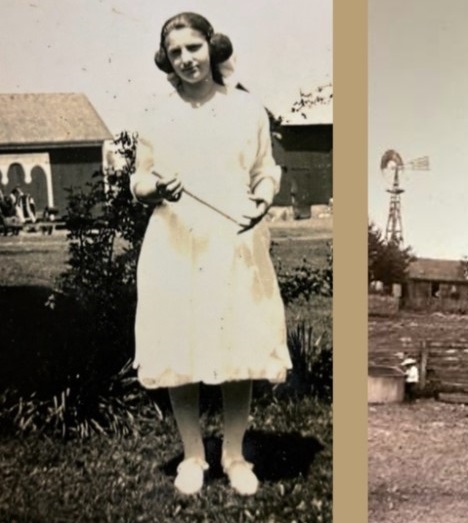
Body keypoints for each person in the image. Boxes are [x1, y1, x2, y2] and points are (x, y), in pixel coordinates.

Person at [130, 12, 291, 497]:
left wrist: (262, 200)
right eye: (175, 53)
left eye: (193, 48)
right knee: (182, 346)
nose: (186, 60)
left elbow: (265, 171)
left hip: (234, 241)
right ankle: (194, 456)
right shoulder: (157, 116)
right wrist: (155, 186)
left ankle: (236, 455)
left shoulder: (247, 110)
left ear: (212, 47)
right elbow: (138, 182)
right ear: (166, 60)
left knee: (235, 343)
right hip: (176, 243)